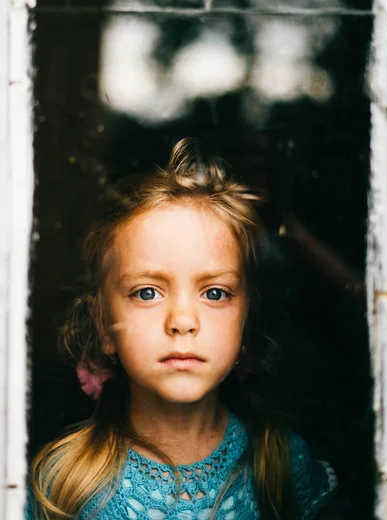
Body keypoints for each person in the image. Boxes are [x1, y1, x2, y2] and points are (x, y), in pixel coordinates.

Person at [26, 138, 337, 520]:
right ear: (102, 323)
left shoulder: (282, 467)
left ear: (246, 319)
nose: (183, 321)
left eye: (215, 292)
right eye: (147, 292)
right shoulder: (65, 484)